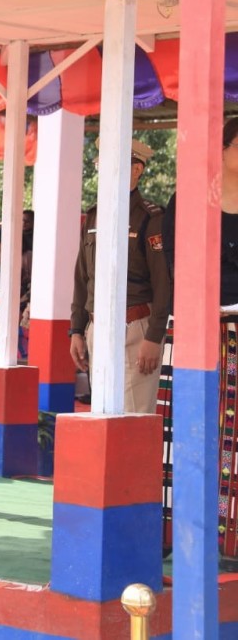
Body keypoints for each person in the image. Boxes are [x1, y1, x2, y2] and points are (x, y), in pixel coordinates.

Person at [161, 117, 238, 570]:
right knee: (185, 432)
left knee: (233, 440)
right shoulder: (189, 199)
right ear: (224, 148)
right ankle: (176, 532)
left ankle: (229, 543)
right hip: (194, 327)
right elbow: (179, 265)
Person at [69, 138, 170, 415]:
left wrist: (154, 336)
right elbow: (82, 277)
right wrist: (77, 330)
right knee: (101, 417)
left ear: (137, 170)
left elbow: (164, 283)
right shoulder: (94, 216)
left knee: (133, 417)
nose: (104, 168)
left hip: (136, 329)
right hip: (96, 328)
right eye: (101, 162)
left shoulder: (151, 218)